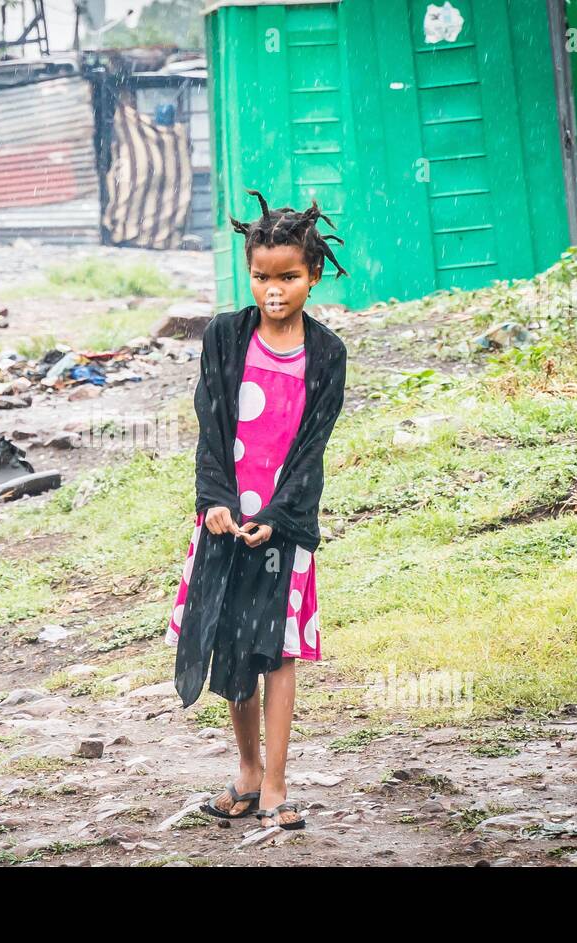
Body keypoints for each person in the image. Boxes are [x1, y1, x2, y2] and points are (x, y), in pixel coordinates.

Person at [165, 189, 349, 830]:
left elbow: (311, 446)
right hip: (223, 521)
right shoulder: (224, 336)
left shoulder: (326, 355)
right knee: (230, 642)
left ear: (314, 274)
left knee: (277, 653)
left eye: (289, 277)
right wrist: (215, 502)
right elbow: (210, 424)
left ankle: (275, 783)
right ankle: (244, 772)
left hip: (285, 523)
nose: (274, 291)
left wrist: (278, 513)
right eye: (262, 277)